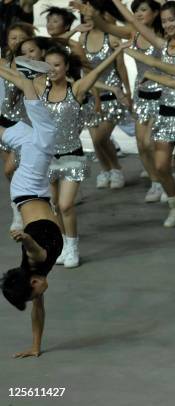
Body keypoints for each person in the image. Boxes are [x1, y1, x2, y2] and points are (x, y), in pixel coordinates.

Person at [0, 58, 61, 358]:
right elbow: (37, 311)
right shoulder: (31, 276)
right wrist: (36, 346)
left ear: (34, 281)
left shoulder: (35, 262)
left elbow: (38, 252)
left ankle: (30, 77)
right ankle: (21, 74)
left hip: (28, 185)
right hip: (33, 192)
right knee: (18, 133)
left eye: (35, 292)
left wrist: (26, 238)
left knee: (42, 129)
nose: (39, 296)